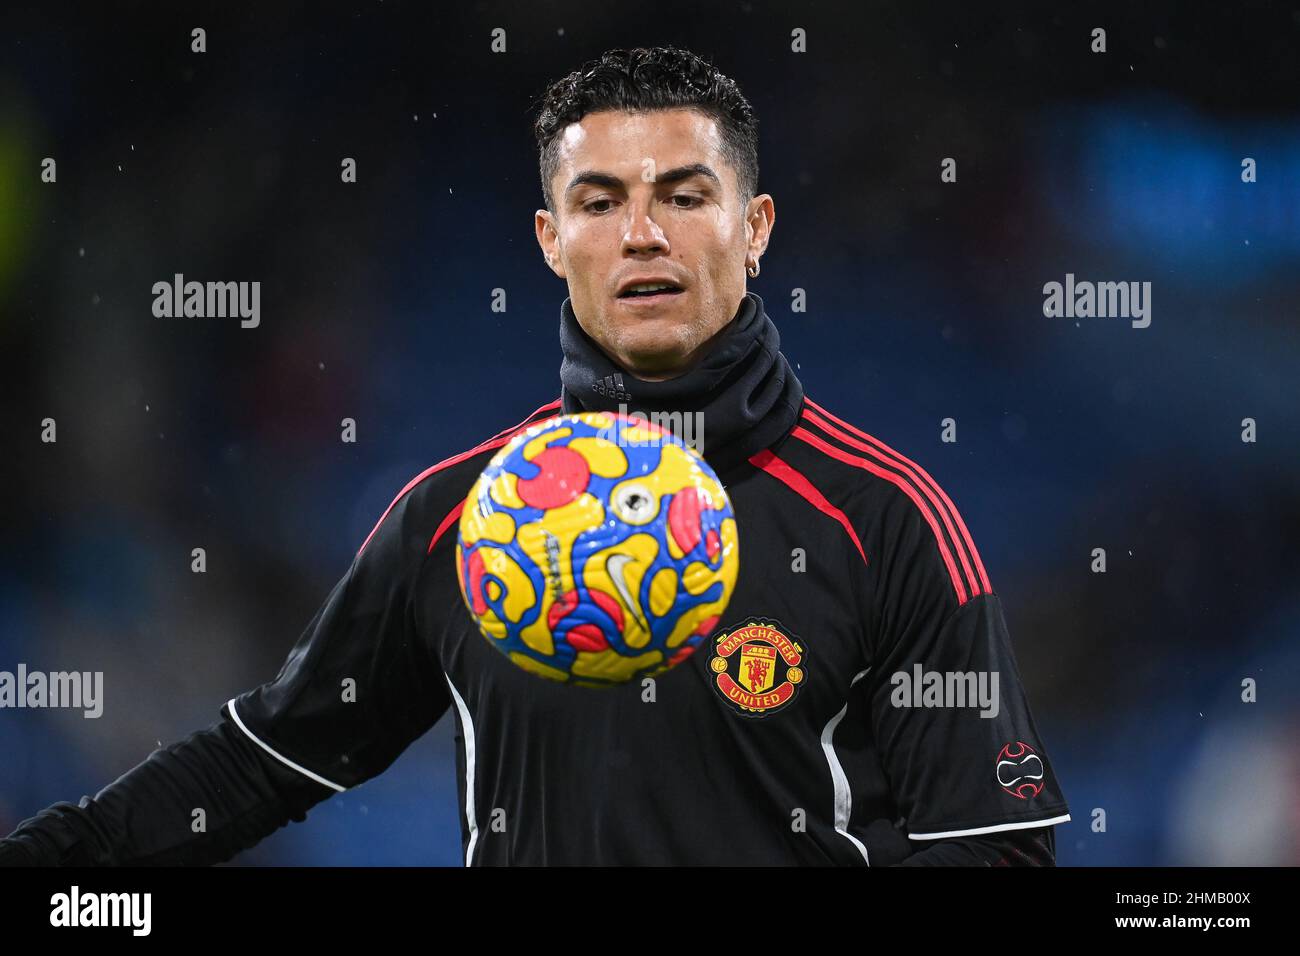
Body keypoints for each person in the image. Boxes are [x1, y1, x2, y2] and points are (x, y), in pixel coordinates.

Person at [0, 45, 1068, 866]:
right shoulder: (453, 514)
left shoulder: (886, 517)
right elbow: (267, 758)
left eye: (685, 196)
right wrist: (52, 861)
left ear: (756, 228)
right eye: (599, 203)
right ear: (551, 240)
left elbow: (996, 845)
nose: (641, 234)